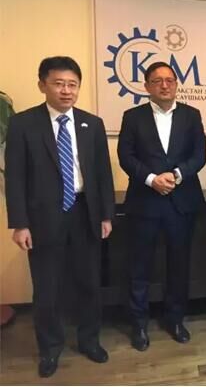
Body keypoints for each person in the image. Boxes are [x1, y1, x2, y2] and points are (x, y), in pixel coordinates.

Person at [5, 56, 115, 377]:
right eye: (58, 83)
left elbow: (102, 175)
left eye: (72, 84)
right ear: (42, 85)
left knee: (89, 283)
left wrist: (106, 215)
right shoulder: (24, 124)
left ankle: (89, 341)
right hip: (44, 218)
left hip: (85, 213)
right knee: (47, 288)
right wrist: (20, 223)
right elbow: (15, 177)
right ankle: (50, 348)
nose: (66, 91)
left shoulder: (92, 124)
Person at [117, 61, 206, 351]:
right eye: (157, 81)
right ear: (147, 86)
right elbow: (126, 156)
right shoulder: (133, 117)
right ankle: (139, 323)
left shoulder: (192, 115)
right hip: (144, 202)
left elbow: (200, 155)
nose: (164, 85)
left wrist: (177, 175)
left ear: (176, 84)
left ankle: (175, 319)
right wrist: (151, 179)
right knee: (139, 266)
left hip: (181, 202)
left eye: (170, 80)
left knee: (179, 265)